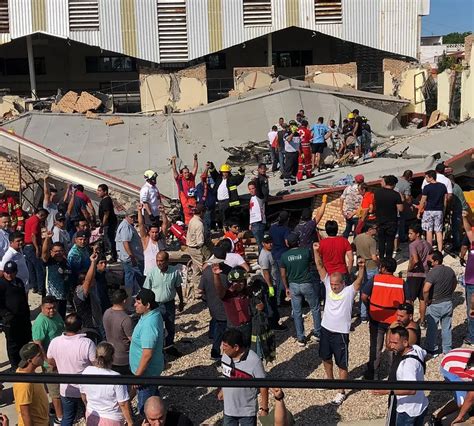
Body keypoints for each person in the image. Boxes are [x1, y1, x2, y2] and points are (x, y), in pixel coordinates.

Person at [314, 245, 365, 406]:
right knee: (325, 357)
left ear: (343, 283)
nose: (334, 286)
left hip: (341, 333)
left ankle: (341, 390)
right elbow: (320, 266)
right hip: (325, 329)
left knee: (342, 363)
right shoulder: (328, 284)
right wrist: (316, 252)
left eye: (337, 284)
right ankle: (330, 381)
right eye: (333, 284)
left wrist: (362, 268)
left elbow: (358, 281)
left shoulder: (349, 292)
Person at [362, 258, 407, 380]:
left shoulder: (375, 279)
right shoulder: (400, 283)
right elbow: (408, 301)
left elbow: (364, 296)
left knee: (376, 346)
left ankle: (373, 374)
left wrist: (369, 308)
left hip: (376, 318)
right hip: (394, 321)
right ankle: (393, 375)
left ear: (383, 268)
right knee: (392, 347)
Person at [47, 313, 96, 426]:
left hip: (66, 388)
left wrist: (60, 365)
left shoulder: (55, 341)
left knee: (67, 418)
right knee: (90, 417)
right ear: (80, 327)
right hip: (85, 389)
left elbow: (50, 360)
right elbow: (95, 364)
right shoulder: (87, 343)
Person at [372, 326, 428, 426]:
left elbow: (411, 390)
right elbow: (424, 353)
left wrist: (387, 391)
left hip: (408, 411)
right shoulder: (416, 349)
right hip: (421, 405)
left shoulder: (407, 365)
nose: (391, 346)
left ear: (405, 342)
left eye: (395, 343)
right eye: (390, 342)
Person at [219, 328, 269, 425]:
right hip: (228, 410)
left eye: (225, 346)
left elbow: (263, 385)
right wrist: (223, 389)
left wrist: (264, 408)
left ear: (236, 347)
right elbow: (226, 375)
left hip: (247, 412)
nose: (222, 348)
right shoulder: (225, 356)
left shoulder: (254, 361)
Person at [280, 232, 321, 347]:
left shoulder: (284, 256)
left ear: (287, 243)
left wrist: (286, 287)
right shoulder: (306, 252)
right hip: (306, 283)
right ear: (298, 241)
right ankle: (317, 332)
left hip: (293, 285)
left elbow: (283, 274)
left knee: (297, 312)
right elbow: (310, 265)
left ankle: (301, 337)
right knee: (315, 308)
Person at [80, 342, 134, 426]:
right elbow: (123, 404)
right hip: (111, 418)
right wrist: (130, 422)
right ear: (112, 357)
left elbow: (83, 396)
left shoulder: (86, 371)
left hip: (92, 413)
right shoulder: (116, 377)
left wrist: (88, 407)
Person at [130, 288, 164, 414]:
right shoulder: (151, 314)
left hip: (146, 374)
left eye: (138, 303)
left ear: (147, 305)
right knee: (153, 395)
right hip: (149, 372)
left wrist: (137, 377)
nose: (135, 305)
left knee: (145, 408)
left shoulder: (149, 324)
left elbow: (147, 354)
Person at [144, 251, 185, 357]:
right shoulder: (152, 272)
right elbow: (146, 290)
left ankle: (169, 347)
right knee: (156, 328)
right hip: (155, 305)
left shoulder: (174, 272)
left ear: (167, 261)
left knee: (170, 327)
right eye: (157, 260)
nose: (159, 263)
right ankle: (157, 350)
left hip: (169, 304)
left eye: (161, 261)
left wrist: (181, 301)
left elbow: (178, 287)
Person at [31, 295, 65, 424]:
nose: (51, 311)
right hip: (50, 362)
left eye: (54, 307)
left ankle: (55, 408)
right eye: (48, 308)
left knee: (61, 386)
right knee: (54, 390)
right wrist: (47, 359)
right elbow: (37, 343)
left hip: (61, 358)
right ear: (42, 308)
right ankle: (60, 417)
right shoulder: (40, 322)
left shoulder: (56, 316)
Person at [199, 245, 231, 360]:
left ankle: (214, 345)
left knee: (216, 323)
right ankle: (217, 351)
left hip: (212, 304)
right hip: (225, 306)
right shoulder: (228, 270)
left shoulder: (206, 271)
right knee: (223, 330)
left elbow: (200, 290)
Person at [423, 250, 457, 356]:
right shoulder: (450, 270)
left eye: (430, 260)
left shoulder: (432, 273)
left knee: (432, 328)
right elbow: (455, 282)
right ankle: (447, 349)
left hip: (435, 304)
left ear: (436, 261)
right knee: (446, 328)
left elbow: (426, 289)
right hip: (447, 302)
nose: (429, 262)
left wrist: (426, 300)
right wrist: (450, 292)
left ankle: (431, 348)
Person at [0, 260, 31, 369]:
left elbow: (23, 299)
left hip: (22, 319)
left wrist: (27, 315)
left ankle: (24, 364)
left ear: (16, 272)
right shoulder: (1, 284)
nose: (9, 275)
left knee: (24, 341)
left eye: (11, 272)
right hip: (10, 321)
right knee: (13, 345)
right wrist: (6, 315)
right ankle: (15, 367)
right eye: (7, 272)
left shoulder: (19, 282)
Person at [212, 264, 252, 345]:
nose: (238, 284)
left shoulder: (249, 293)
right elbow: (219, 291)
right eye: (235, 281)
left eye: (241, 281)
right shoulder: (228, 294)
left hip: (248, 326)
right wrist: (216, 276)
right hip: (233, 328)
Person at [431, 348, 474, 425]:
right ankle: (436, 418)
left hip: (455, 357)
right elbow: (471, 396)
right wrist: (460, 416)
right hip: (449, 367)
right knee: (461, 402)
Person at [13, 342, 49, 426]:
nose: (43, 356)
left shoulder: (30, 373)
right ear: (30, 360)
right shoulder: (24, 383)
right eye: (39, 355)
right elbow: (25, 413)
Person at [406, 224, 432, 328]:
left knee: (410, 299)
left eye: (411, 233)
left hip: (414, 274)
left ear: (417, 234)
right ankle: (422, 321)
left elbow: (415, 260)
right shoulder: (428, 244)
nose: (409, 235)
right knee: (422, 299)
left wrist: (409, 268)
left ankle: (410, 320)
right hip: (425, 274)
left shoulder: (413, 245)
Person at [73, 253, 104, 341]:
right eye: (92, 279)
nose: (94, 280)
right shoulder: (80, 292)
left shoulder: (92, 288)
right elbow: (88, 280)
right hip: (88, 328)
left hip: (97, 325)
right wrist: (93, 262)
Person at [116, 208, 144, 303]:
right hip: (130, 258)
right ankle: (132, 298)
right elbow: (125, 242)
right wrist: (131, 256)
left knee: (132, 277)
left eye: (134, 217)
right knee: (135, 277)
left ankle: (134, 296)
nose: (133, 218)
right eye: (131, 217)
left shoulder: (127, 225)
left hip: (130, 257)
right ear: (126, 216)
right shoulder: (125, 227)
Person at [258, 234, 286, 331]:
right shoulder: (264, 256)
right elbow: (266, 273)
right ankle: (274, 325)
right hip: (268, 284)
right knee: (271, 306)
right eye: (267, 243)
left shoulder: (269, 252)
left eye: (271, 242)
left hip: (273, 282)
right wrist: (270, 286)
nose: (270, 244)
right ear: (263, 243)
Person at [103, 289, 134, 375]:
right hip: (123, 358)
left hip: (110, 355)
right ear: (124, 301)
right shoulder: (126, 319)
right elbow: (133, 340)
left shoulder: (106, 312)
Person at [353, 222, 379, 322]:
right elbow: (373, 257)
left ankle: (362, 314)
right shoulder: (372, 241)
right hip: (371, 266)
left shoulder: (358, 237)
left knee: (362, 290)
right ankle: (371, 312)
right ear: (369, 230)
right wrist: (379, 263)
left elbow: (353, 246)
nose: (376, 230)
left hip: (360, 266)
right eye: (375, 228)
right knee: (372, 292)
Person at [41, 233, 70, 319]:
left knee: (61, 319)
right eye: (56, 251)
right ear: (51, 252)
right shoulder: (49, 261)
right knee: (50, 319)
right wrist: (47, 238)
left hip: (63, 297)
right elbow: (44, 252)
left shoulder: (66, 262)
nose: (58, 253)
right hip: (50, 297)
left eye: (60, 251)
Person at [418, 170, 448, 251]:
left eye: (426, 177)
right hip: (439, 210)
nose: (426, 179)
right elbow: (445, 200)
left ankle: (430, 249)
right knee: (438, 231)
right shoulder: (443, 186)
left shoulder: (427, 187)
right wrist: (444, 209)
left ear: (431, 177)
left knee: (429, 231)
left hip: (429, 210)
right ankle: (440, 250)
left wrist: (419, 211)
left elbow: (423, 201)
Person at [375, 175, 403, 259]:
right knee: (390, 241)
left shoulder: (377, 192)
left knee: (381, 241)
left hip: (380, 220)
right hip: (391, 221)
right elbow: (400, 209)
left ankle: (381, 258)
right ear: (393, 184)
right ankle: (388, 259)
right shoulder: (395, 194)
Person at [209, 162, 245, 226]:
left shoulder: (231, 179)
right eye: (223, 172)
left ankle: (228, 230)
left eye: (226, 172)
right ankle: (224, 230)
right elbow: (214, 173)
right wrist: (211, 166)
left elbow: (239, 178)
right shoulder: (219, 179)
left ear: (229, 172)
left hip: (227, 201)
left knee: (227, 217)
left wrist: (241, 171)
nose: (224, 173)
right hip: (220, 202)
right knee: (221, 217)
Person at [138, 204, 168, 277]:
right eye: (153, 232)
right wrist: (139, 211)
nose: (154, 234)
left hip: (161, 273)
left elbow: (165, 225)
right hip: (149, 273)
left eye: (156, 232)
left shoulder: (161, 239)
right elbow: (141, 224)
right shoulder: (146, 239)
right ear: (149, 232)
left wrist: (163, 213)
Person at [23, 208, 48, 295]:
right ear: (42, 215)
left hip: (26, 247)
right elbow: (33, 235)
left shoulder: (30, 219)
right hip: (32, 247)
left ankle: (34, 287)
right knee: (39, 268)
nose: (44, 220)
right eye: (44, 218)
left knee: (31, 268)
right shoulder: (36, 221)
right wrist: (37, 248)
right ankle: (41, 288)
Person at [269, 211, 290, 305]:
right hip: (283, 255)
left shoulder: (272, 228)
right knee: (283, 277)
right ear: (287, 220)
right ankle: (282, 299)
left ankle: (277, 299)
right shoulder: (286, 229)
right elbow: (287, 242)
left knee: (277, 277)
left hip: (274, 254)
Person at [186, 203, 206, 300]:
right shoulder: (199, 224)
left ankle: (197, 291)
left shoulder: (192, 220)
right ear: (202, 212)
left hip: (190, 247)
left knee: (196, 270)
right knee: (204, 268)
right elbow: (200, 241)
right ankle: (205, 290)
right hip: (196, 248)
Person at [171, 154, 198, 224]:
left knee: (196, 217)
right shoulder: (179, 179)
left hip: (193, 201)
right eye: (185, 173)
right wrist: (173, 161)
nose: (187, 174)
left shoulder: (192, 177)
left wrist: (195, 159)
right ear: (182, 174)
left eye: (188, 172)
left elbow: (195, 167)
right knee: (187, 219)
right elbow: (174, 169)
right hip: (185, 202)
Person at [97, 184, 118, 262]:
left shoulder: (106, 201)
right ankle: (113, 255)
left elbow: (106, 213)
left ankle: (112, 256)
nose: (97, 192)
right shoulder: (105, 200)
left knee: (109, 239)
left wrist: (103, 225)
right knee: (109, 239)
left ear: (105, 191)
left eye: (99, 190)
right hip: (108, 223)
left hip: (109, 224)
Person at [462, 210, 474, 345]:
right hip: (469, 281)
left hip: (472, 282)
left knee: (471, 311)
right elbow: (468, 230)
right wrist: (465, 218)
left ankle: (471, 336)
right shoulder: (473, 243)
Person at [394, 170, 413, 245]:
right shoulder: (407, 184)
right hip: (399, 205)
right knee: (401, 222)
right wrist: (410, 204)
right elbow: (408, 197)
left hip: (390, 204)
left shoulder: (396, 179)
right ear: (409, 177)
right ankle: (401, 238)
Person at [248, 181, 266, 252]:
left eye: (253, 188)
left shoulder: (259, 197)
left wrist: (257, 179)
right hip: (254, 223)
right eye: (250, 189)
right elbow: (251, 211)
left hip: (258, 222)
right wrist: (250, 223)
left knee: (260, 243)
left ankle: (262, 259)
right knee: (259, 243)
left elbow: (259, 190)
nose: (251, 190)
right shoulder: (251, 198)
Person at [282, 121, 300, 187]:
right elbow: (289, 140)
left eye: (294, 125)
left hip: (296, 152)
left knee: (295, 168)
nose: (293, 127)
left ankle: (293, 180)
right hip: (289, 153)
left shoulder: (297, 134)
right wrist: (292, 132)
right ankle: (286, 181)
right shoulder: (287, 133)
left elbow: (298, 143)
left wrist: (301, 152)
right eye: (291, 126)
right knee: (288, 167)